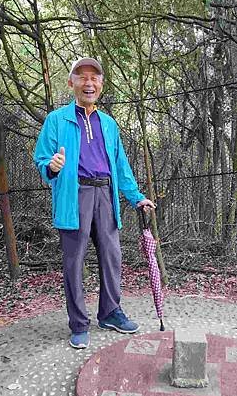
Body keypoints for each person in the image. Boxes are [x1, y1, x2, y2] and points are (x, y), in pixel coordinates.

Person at [34, 57, 155, 349]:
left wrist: (136, 197)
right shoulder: (56, 120)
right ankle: (78, 323)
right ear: (71, 83)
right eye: (82, 77)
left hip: (105, 195)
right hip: (74, 195)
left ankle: (110, 312)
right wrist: (52, 166)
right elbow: (41, 159)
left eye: (94, 78)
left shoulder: (109, 124)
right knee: (74, 262)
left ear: (101, 84)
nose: (89, 83)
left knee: (112, 255)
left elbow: (121, 166)